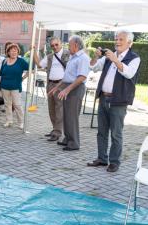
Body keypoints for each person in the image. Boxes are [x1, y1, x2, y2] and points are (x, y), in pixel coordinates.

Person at [87, 30, 141, 172]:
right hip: (104, 97)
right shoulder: (108, 57)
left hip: (118, 101)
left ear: (130, 43)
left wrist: (116, 60)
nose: (117, 42)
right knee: (101, 131)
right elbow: (92, 67)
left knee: (116, 133)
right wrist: (95, 56)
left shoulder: (134, 58)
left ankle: (114, 162)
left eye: (121, 39)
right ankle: (102, 158)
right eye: (116, 39)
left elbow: (129, 73)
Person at [48, 35, 90, 151]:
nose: (68, 47)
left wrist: (67, 89)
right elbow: (67, 76)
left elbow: (81, 77)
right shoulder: (73, 57)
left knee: (72, 117)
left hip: (75, 88)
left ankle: (74, 143)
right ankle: (68, 138)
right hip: (68, 86)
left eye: (69, 45)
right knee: (66, 116)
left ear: (76, 45)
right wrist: (57, 87)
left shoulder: (83, 58)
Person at [33, 37, 70, 141]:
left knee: (59, 109)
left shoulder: (68, 53)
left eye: (56, 44)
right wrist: (34, 51)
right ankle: (55, 129)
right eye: (52, 45)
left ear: (61, 43)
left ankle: (57, 132)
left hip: (61, 84)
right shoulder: (50, 56)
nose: (54, 47)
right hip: (50, 84)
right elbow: (39, 64)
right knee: (51, 109)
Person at [0, 43, 29, 129]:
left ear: (18, 52)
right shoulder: (4, 61)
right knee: (7, 104)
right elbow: (1, 74)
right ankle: (9, 120)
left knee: (17, 105)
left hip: (16, 87)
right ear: (8, 52)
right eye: (11, 51)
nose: (14, 52)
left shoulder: (21, 61)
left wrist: (23, 78)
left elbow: (31, 69)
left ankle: (21, 122)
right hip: (4, 86)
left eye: (15, 51)